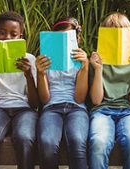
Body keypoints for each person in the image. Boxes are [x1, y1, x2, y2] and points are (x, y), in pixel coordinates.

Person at [0, 11, 39, 169]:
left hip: (25, 109)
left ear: (20, 36)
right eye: (2, 33)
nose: (7, 38)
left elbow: (33, 103)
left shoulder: (30, 60)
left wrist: (28, 75)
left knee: (25, 137)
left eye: (13, 34)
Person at [88, 13, 130, 169]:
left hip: (128, 111)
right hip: (102, 110)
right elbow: (96, 100)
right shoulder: (97, 60)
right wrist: (98, 70)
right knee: (99, 142)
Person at [35, 16, 89, 169]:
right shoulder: (45, 61)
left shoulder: (81, 62)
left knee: (77, 141)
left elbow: (79, 98)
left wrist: (85, 68)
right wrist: (40, 73)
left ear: (77, 38)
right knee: (47, 143)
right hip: (51, 108)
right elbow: (45, 99)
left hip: (76, 108)